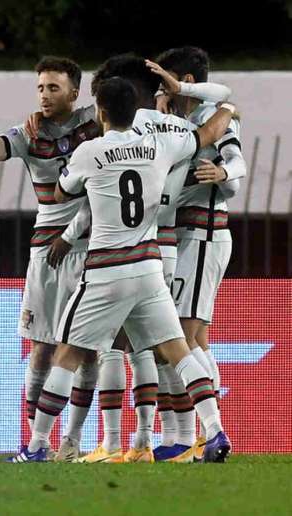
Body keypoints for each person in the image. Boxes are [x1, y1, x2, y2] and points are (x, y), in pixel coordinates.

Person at [26, 76, 235, 463]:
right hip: (150, 267)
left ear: (101, 112)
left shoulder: (90, 151)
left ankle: (38, 444)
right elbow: (209, 131)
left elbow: (61, 193)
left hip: (106, 271)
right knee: (178, 352)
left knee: (67, 355)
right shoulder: (159, 145)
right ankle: (216, 432)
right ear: (136, 108)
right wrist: (228, 110)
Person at [0, 57, 101, 462]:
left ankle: (72, 442)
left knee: (89, 349)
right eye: (41, 88)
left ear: (75, 92)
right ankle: (38, 441)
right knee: (41, 347)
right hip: (48, 252)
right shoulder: (28, 133)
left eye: (54, 88)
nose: (45, 95)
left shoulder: (98, 122)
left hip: (92, 245)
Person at [156, 46, 246, 461]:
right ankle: (201, 434)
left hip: (207, 234)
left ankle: (206, 433)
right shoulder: (186, 122)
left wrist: (223, 173)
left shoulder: (216, 116)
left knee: (183, 335)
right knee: (198, 338)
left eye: (168, 81)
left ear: (186, 81)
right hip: (192, 234)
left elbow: (237, 166)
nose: (163, 88)